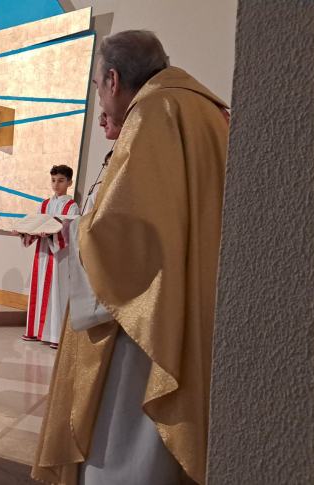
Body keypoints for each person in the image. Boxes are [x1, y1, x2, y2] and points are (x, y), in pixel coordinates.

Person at [31, 30, 230, 485]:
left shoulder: (153, 113)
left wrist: (73, 229)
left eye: (98, 85)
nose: (101, 96)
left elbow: (121, 238)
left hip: (143, 322)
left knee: (123, 444)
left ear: (113, 80)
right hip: (194, 298)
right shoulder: (207, 111)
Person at [19, 165, 79, 349]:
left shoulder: (72, 205)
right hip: (43, 251)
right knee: (38, 289)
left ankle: (54, 334)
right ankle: (36, 331)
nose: (56, 184)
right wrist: (26, 231)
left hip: (59, 255)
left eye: (61, 180)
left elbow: (72, 228)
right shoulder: (44, 204)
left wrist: (53, 232)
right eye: (53, 180)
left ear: (69, 182)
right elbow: (36, 222)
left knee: (56, 290)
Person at [81, 112, 122, 215]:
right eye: (106, 165)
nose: (101, 123)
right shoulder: (96, 194)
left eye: (111, 165)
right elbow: (85, 218)